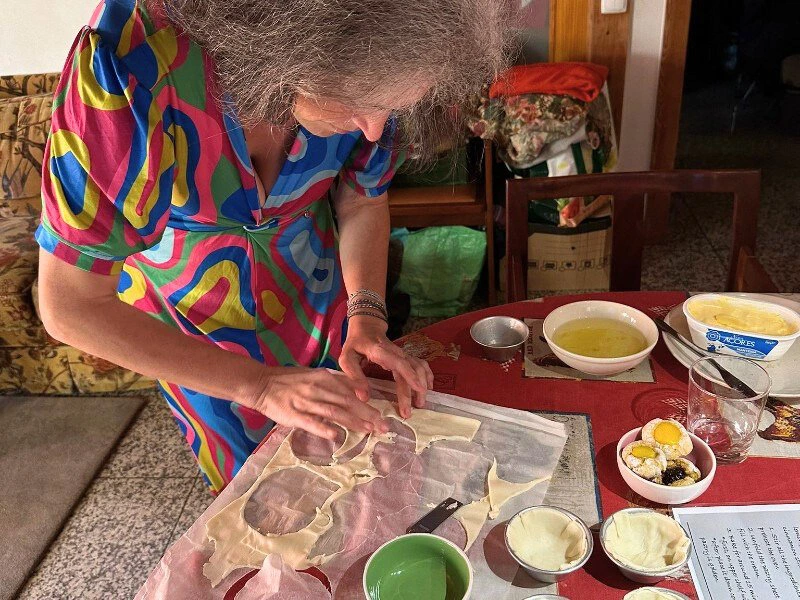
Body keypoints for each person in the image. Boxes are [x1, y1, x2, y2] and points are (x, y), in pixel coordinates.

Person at [36, 0, 511, 492]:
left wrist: (367, 316)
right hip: (192, 329)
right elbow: (69, 304)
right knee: (253, 486)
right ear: (287, 41)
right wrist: (259, 386)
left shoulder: (391, 45)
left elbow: (362, 199)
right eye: (359, 102)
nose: (374, 127)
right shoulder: (129, 64)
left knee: (347, 469)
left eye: (392, 107)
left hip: (316, 291)